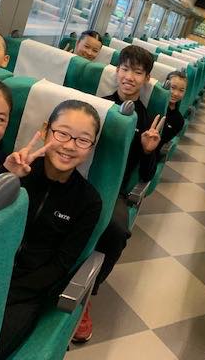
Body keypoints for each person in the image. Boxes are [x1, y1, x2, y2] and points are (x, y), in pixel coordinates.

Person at [0, 100, 103, 359]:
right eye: (62, 133)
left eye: (82, 140)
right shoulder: (17, 168)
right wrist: (6, 176)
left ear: (91, 147)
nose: (69, 145)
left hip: (27, 292)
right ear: (45, 131)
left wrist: (10, 292)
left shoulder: (89, 201)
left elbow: (60, 264)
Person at [74, 45, 164, 342]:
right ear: (116, 71)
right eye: (125, 69)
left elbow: (147, 175)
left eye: (137, 72)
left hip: (114, 191)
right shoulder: (97, 106)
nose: (129, 77)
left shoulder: (148, 120)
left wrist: (149, 151)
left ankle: (87, 293)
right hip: (77, 179)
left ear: (146, 79)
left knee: (116, 231)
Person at [158, 70, 187, 147]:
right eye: (173, 87)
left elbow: (162, 142)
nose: (176, 93)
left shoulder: (179, 120)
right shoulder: (153, 103)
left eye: (181, 90)